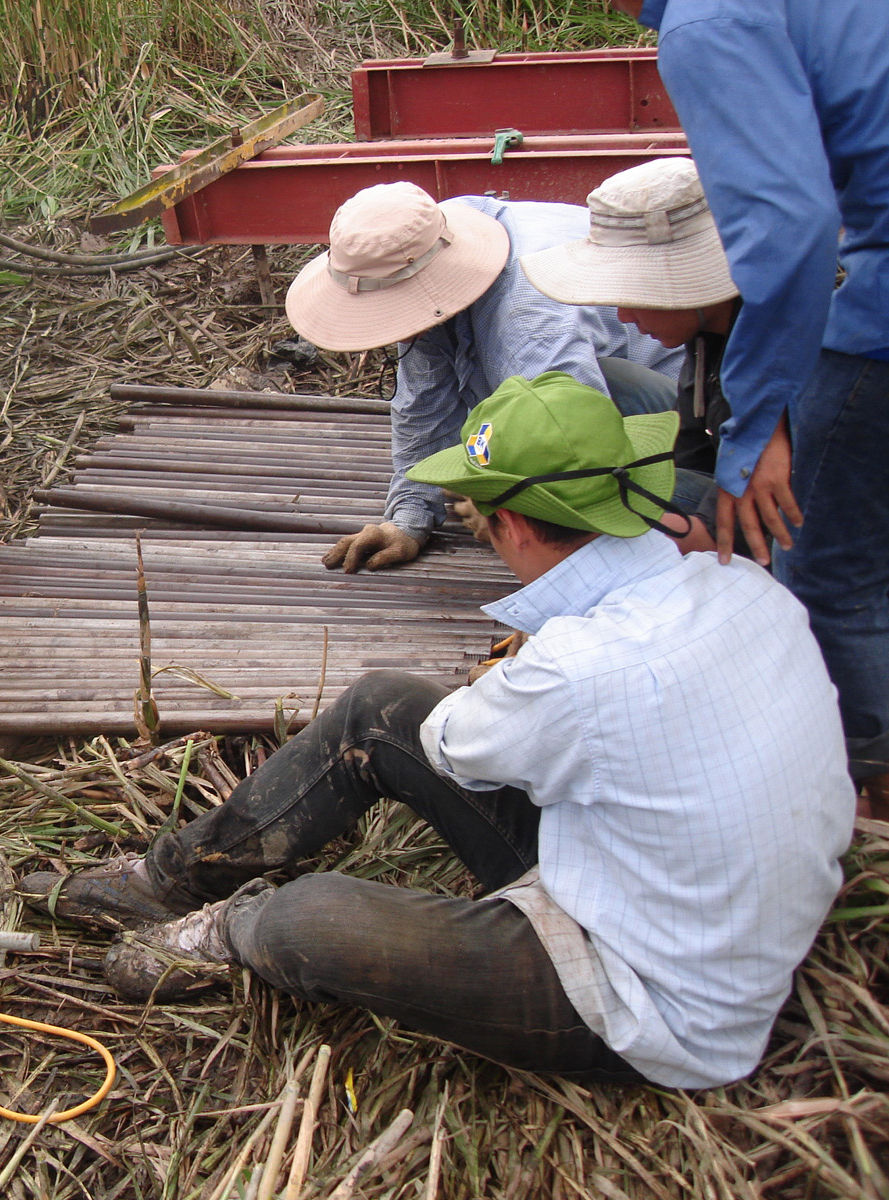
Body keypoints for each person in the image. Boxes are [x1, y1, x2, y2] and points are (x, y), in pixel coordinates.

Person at [21, 372, 854, 1087]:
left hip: (654, 1007)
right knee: (382, 705)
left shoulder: (577, 667)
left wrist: (516, 665)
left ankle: (218, 928)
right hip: (685, 902)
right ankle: (170, 875)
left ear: (515, 527)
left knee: (304, 920)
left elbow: (455, 742)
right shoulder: (742, 586)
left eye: (483, 521)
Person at [608, 0, 889, 814]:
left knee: (830, 571)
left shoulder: (707, 21)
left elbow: (793, 223)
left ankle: (858, 802)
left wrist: (761, 422)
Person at [283, 181, 682, 573]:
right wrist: (408, 517)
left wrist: (511, 513)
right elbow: (423, 404)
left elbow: (573, 457)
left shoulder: (531, 318)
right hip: (580, 400)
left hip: (675, 421)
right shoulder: (417, 241)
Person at [520, 157, 739, 554]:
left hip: (783, 500)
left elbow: (716, 530)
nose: (622, 315)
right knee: (611, 377)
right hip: (723, 451)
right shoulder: (707, 328)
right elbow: (692, 450)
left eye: (634, 292)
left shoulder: (765, 355)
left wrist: (566, 518)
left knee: (591, 491)